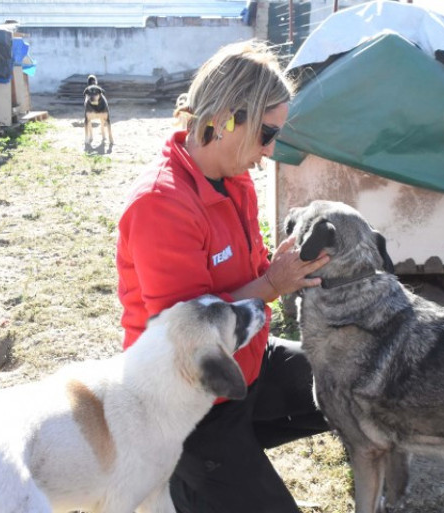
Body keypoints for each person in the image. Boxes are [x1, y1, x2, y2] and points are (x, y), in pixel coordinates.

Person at [115, 40, 331, 513]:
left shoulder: (235, 179)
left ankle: (209, 477)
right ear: (227, 119)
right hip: (189, 401)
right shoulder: (160, 204)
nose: (270, 151)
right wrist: (272, 284)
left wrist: (282, 270)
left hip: (245, 362)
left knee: (349, 382)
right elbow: (189, 340)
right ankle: (191, 470)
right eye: (266, 134)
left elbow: (243, 275)